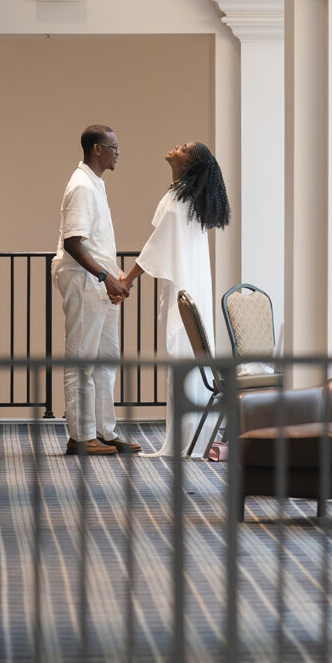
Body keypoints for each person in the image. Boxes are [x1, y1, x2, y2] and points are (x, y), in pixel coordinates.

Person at [122, 141, 230, 457]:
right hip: (192, 285)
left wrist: (126, 280)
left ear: (189, 162)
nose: (174, 147)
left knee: (183, 357)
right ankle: (196, 435)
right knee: (188, 360)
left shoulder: (179, 201)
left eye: (183, 147)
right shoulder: (188, 199)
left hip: (186, 288)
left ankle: (188, 439)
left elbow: (155, 247)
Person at [52, 125, 141, 455]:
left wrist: (113, 270)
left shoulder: (95, 184)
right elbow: (73, 242)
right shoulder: (81, 186)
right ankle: (80, 436)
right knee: (82, 360)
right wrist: (106, 275)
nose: (118, 153)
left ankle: (104, 431)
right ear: (97, 150)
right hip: (84, 281)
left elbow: (95, 239)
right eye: (114, 147)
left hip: (99, 282)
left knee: (106, 359)